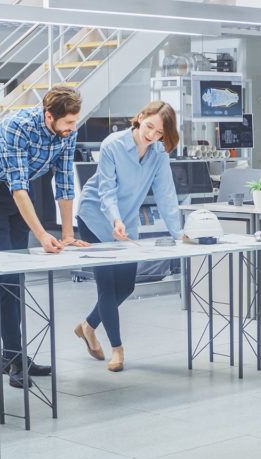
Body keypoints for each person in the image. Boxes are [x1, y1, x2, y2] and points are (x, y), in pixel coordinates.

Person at [0, 86, 89, 389]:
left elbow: (64, 181)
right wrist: (41, 235)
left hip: (20, 192)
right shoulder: (17, 127)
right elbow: (18, 188)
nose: (72, 128)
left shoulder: (67, 130)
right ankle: (14, 358)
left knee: (17, 275)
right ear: (49, 116)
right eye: (68, 123)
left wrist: (67, 234)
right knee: (7, 275)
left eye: (75, 122)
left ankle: (12, 354)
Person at [73, 101, 183, 372]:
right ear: (140, 117)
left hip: (127, 222)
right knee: (108, 287)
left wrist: (179, 234)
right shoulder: (113, 145)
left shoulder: (158, 154)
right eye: (150, 127)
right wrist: (115, 219)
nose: (152, 136)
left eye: (159, 133)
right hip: (96, 217)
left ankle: (87, 326)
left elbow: (166, 195)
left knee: (127, 286)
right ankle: (117, 350)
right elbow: (106, 191)